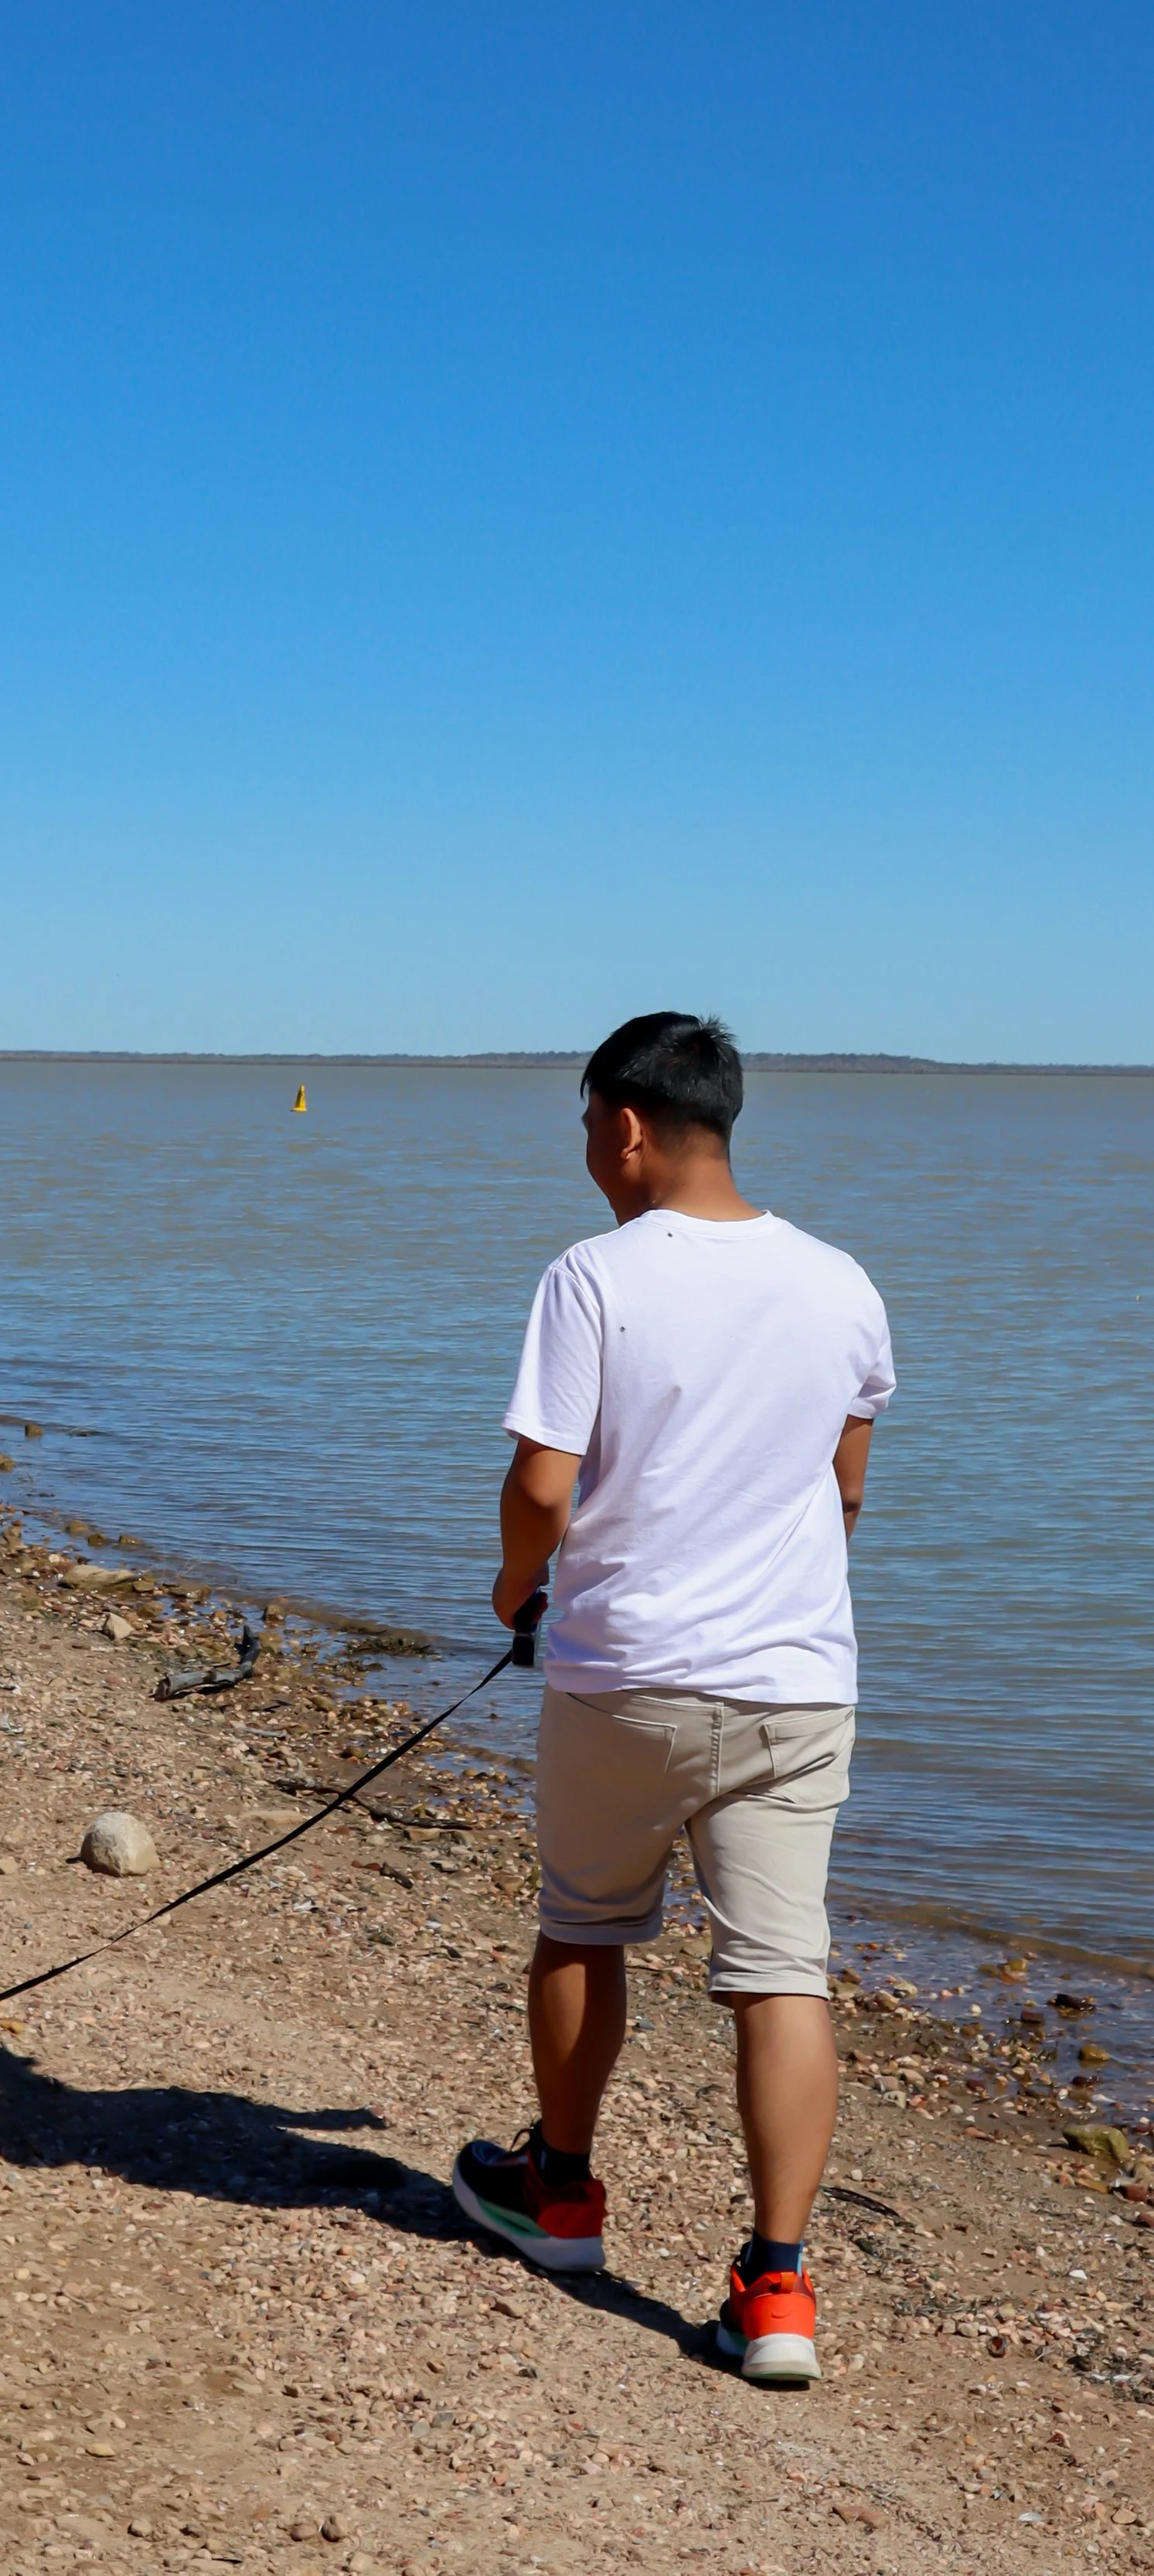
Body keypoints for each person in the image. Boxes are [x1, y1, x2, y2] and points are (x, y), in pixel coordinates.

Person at [451, 1011, 894, 2387]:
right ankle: (777, 2289)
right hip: (793, 1685)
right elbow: (848, 1487)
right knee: (782, 1971)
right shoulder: (842, 1284)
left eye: (588, 1123)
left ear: (627, 1125)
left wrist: (516, 1585)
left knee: (583, 1925)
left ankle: (563, 2194)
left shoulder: (592, 1276)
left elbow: (542, 1486)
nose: (588, 1150)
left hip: (623, 1674)